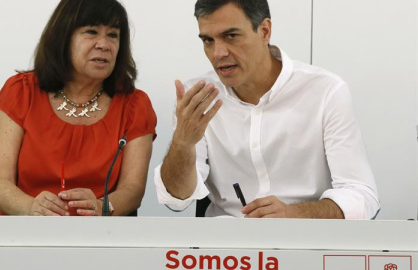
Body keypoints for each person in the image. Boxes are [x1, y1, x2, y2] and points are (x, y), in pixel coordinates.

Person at [154, 0, 380, 219]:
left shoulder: (326, 91)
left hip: (306, 243)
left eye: (231, 36)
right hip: (227, 252)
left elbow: (362, 196)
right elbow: (176, 199)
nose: (218, 53)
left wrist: (295, 214)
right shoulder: (197, 96)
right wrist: (182, 143)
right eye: (208, 40)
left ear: (264, 31)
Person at [0, 0, 157, 216]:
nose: (104, 44)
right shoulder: (21, 91)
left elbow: (132, 191)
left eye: (113, 35)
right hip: (22, 230)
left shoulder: (135, 105)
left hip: (98, 237)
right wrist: (31, 208)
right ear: (63, 38)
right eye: (91, 32)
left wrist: (101, 206)